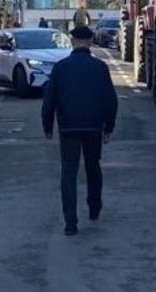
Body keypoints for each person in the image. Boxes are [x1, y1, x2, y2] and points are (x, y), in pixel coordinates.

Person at [42, 26, 118, 236]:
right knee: (93, 167)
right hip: (93, 127)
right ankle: (94, 207)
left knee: (69, 173)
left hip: (68, 127)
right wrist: (108, 127)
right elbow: (110, 100)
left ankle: (70, 223)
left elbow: (49, 100)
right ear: (91, 41)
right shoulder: (100, 67)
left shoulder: (60, 68)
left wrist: (48, 126)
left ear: (73, 41)